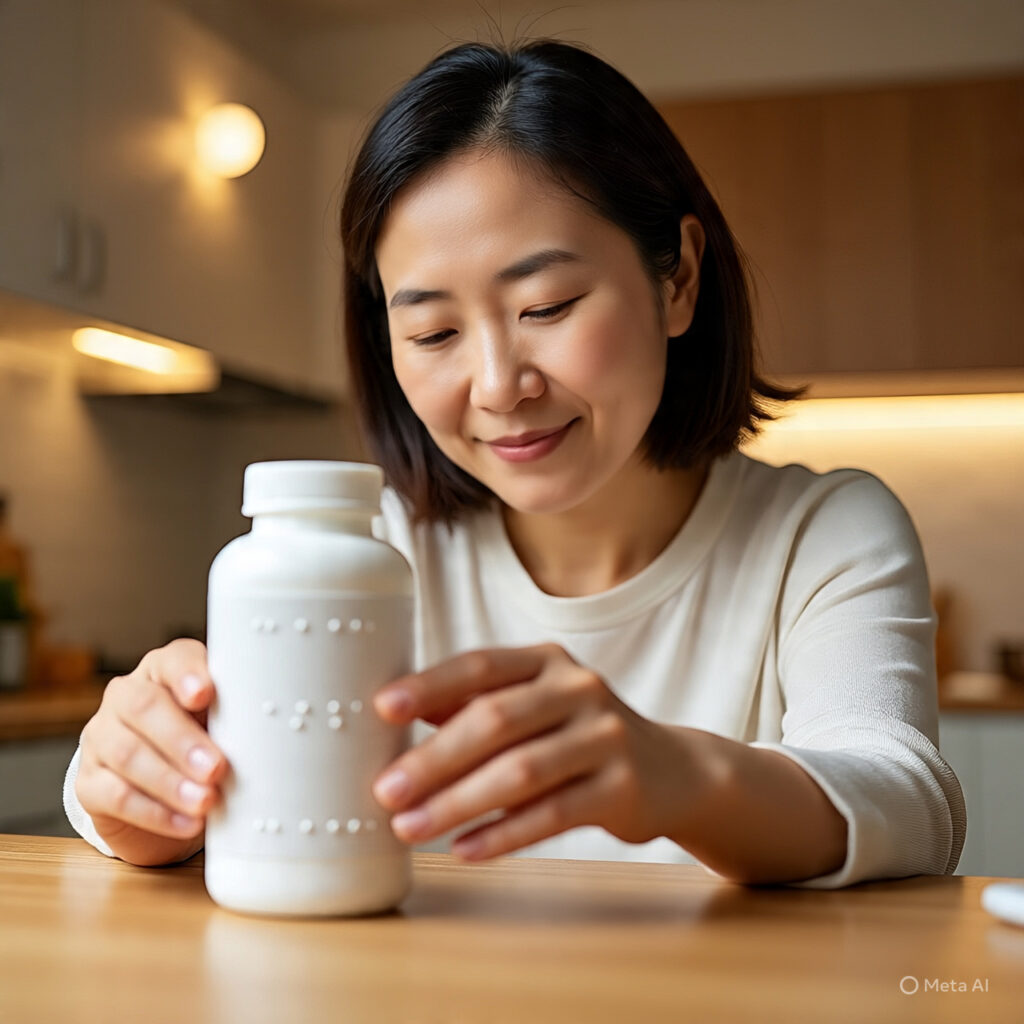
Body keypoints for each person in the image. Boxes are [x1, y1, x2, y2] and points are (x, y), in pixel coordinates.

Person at [63, 37, 966, 887]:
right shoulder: (373, 555)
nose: (497, 386)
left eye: (548, 305)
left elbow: (904, 799)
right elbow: (174, 791)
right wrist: (138, 791)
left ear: (678, 278)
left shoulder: (821, 536)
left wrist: (672, 773)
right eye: (434, 331)